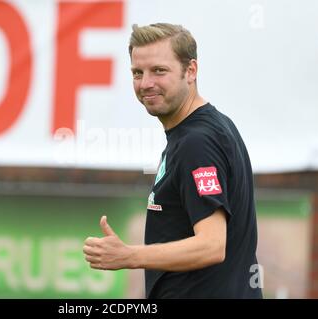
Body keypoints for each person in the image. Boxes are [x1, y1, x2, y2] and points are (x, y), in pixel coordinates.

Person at [83, 23, 263, 299]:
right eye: (137, 73)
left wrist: (128, 255)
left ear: (191, 71)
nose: (146, 84)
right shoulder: (203, 130)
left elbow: (212, 245)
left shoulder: (197, 142)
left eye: (159, 71)